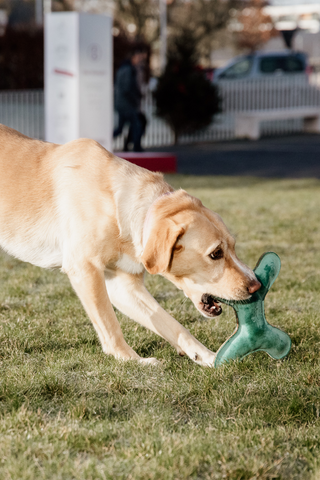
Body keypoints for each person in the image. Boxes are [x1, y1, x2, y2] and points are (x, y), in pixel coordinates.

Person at [113, 48, 146, 152]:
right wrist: (135, 98)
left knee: (121, 128)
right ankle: (136, 147)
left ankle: (128, 146)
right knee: (137, 124)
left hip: (122, 103)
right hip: (126, 103)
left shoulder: (124, 68)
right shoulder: (128, 70)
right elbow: (127, 88)